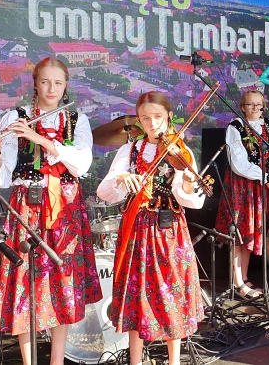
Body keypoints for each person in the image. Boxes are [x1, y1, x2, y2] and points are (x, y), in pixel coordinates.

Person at [0, 57, 102, 365]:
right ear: (35, 83)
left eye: (58, 83)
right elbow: (0, 178)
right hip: (27, 206)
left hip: (65, 210)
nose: (51, 89)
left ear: (66, 85)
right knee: (26, 283)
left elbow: (81, 164)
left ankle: (57, 361)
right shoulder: (16, 117)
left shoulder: (77, 119)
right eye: (45, 82)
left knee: (62, 284)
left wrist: (40, 139)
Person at [97, 91, 205, 365]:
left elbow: (193, 201)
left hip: (169, 231)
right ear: (139, 120)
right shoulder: (130, 150)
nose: (152, 123)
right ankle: (135, 360)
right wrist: (121, 178)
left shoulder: (180, 151)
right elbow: (104, 192)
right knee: (137, 295)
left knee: (172, 293)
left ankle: (174, 361)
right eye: (145, 118)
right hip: (137, 229)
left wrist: (189, 183)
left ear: (169, 116)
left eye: (158, 117)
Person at [214, 90, 269, 298]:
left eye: (259, 105)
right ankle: (237, 282)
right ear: (243, 107)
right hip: (241, 185)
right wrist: (264, 177)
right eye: (251, 104)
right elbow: (238, 163)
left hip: (259, 185)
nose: (256, 108)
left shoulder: (267, 125)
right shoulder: (235, 127)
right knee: (239, 232)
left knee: (250, 232)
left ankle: (244, 278)